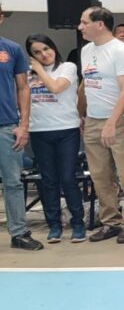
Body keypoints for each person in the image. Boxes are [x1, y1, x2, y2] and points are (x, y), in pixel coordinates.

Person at [77, 6, 124, 244]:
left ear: (100, 24)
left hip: (119, 121)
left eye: (84, 22)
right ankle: (110, 222)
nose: (80, 26)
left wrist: (111, 123)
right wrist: (80, 113)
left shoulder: (121, 51)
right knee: (100, 176)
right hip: (93, 120)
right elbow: (87, 82)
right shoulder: (86, 50)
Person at [25, 34, 83, 244]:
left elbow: (56, 87)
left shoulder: (67, 67)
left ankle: (78, 223)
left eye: (46, 49)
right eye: (37, 53)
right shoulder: (26, 74)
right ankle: (54, 225)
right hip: (39, 130)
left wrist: (38, 69)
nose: (43, 55)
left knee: (68, 178)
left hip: (67, 129)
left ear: (53, 47)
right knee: (48, 180)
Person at [0, 7, 41, 250]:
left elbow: (23, 88)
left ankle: (19, 233)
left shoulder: (11, 49)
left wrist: (23, 125)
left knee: (13, 182)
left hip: (6, 126)